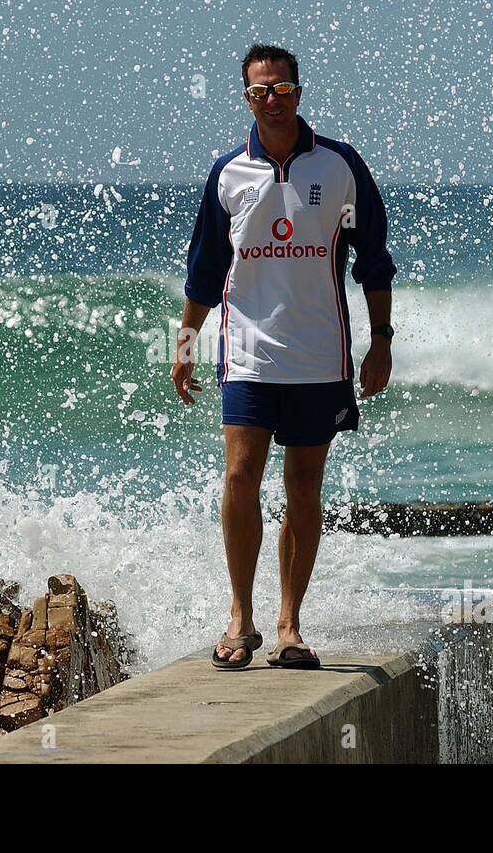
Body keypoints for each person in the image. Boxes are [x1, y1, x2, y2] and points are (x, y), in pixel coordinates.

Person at [171, 44, 397, 670]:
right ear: (246, 98)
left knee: (302, 486)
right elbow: (205, 269)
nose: (272, 99)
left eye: (282, 88)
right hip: (246, 354)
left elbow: (374, 259)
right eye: (259, 91)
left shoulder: (340, 166)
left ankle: (289, 625)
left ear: (299, 91)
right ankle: (240, 618)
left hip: (320, 356)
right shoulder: (229, 173)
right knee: (240, 477)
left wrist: (381, 340)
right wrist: (185, 345)